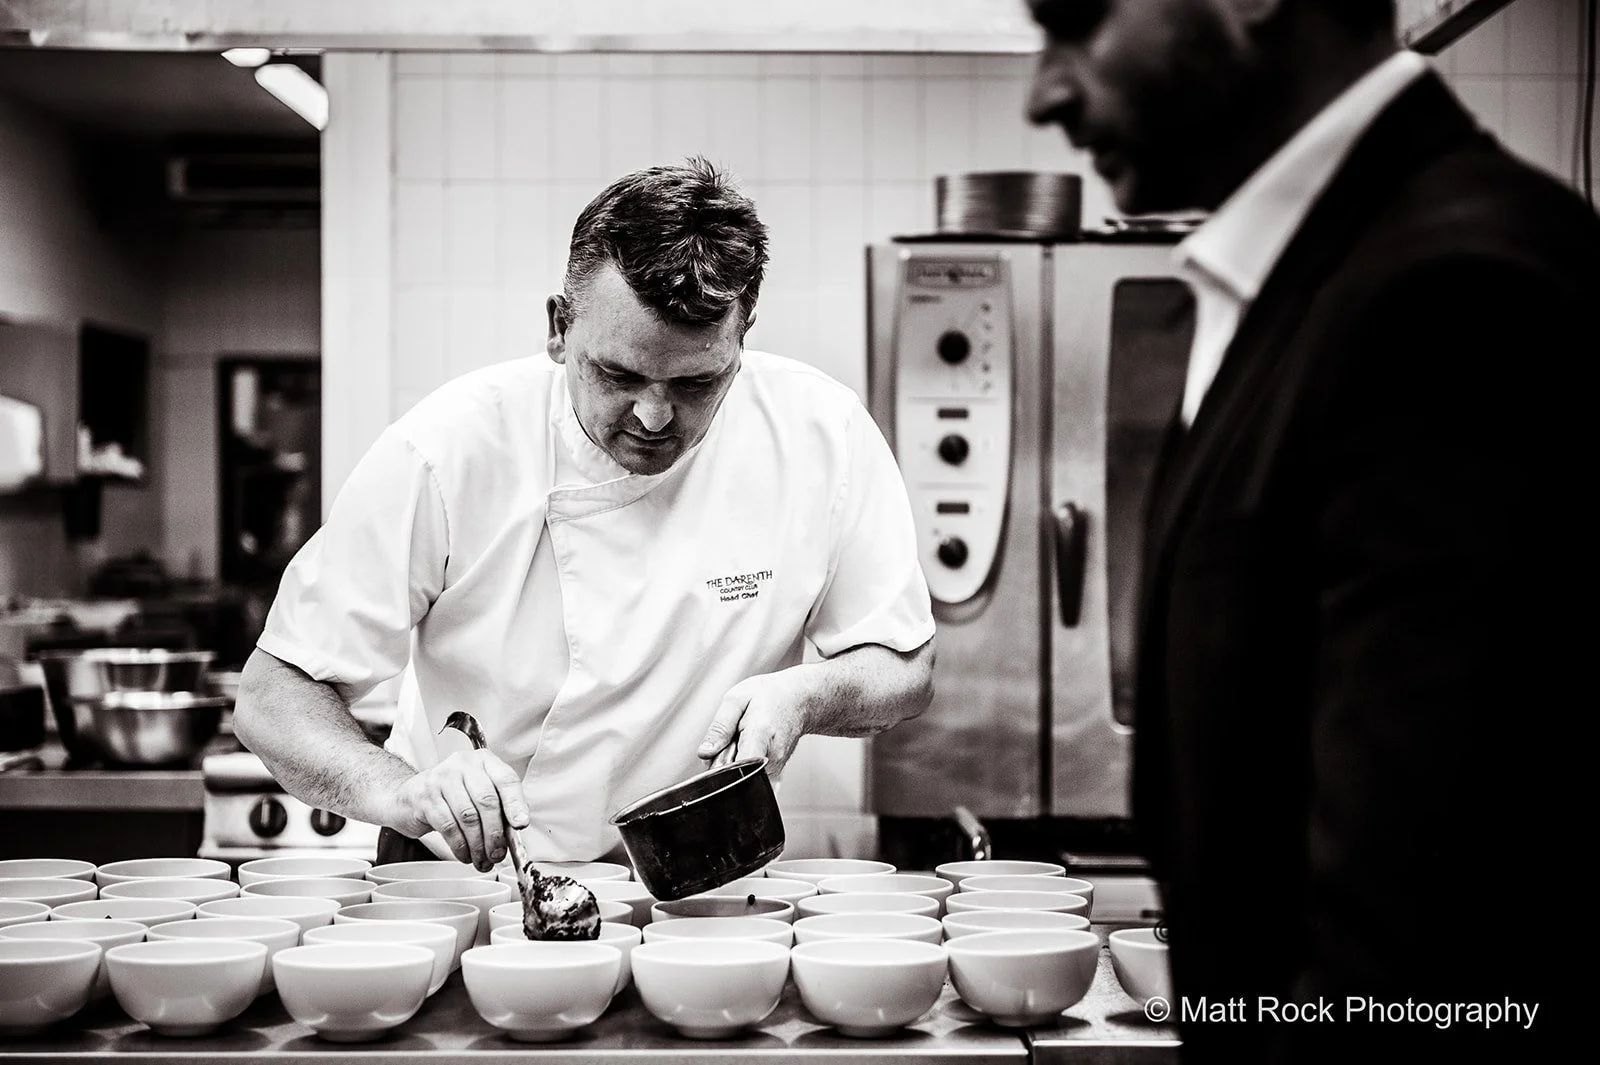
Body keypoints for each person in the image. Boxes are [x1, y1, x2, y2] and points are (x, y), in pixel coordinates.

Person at [1025, 1, 1590, 1060]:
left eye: (1076, 21)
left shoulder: (1457, 291)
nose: (1042, 92)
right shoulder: (1318, 282)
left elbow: (1414, 950)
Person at [233, 158, 935, 872]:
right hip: (459, 872)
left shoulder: (822, 435)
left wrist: (806, 693)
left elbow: (903, 666)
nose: (655, 415)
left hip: (691, 877)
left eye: (697, 381)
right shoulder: (448, 451)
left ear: (742, 335)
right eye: (620, 375)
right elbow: (272, 696)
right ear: (560, 328)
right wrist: (404, 792)